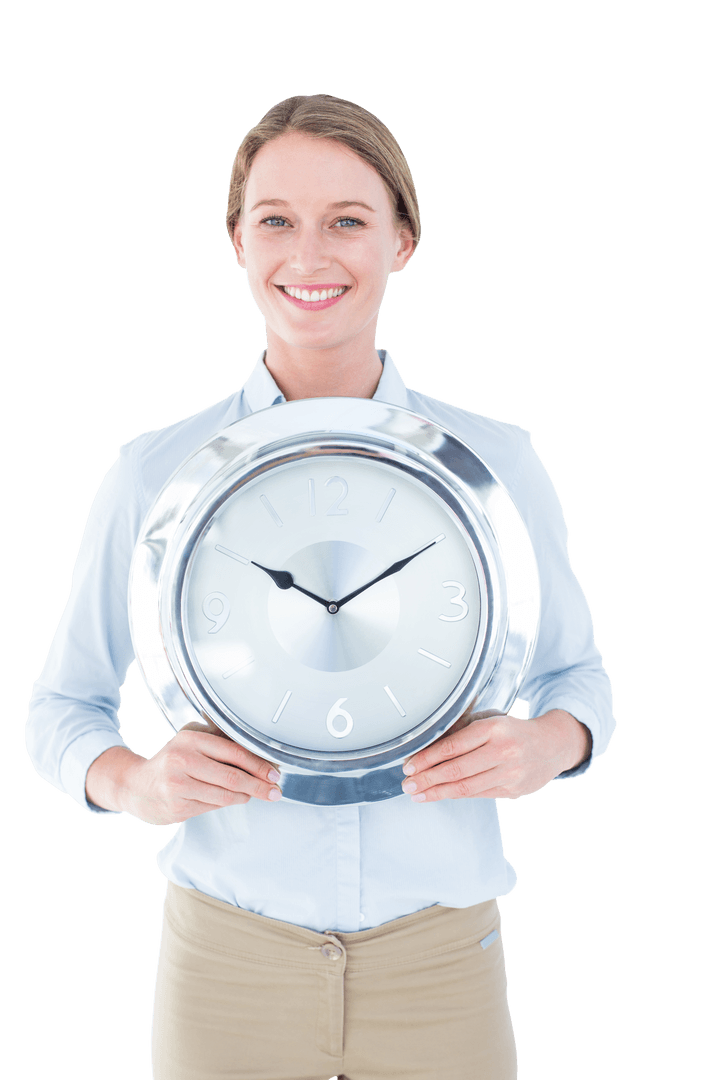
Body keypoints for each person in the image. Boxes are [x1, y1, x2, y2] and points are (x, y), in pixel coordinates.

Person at [25, 94, 616, 1080]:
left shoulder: (499, 461)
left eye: (348, 219)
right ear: (237, 241)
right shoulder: (152, 471)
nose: (311, 255)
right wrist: (134, 781)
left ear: (403, 239)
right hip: (227, 965)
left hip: (442, 960)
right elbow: (61, 708)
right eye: (276, 221)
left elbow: (577, 678)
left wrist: (548, 746)